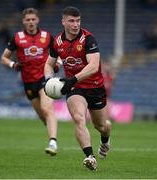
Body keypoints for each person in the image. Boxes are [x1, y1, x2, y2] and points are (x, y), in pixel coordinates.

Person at [44, 6, 112, 170]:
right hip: (75, 89)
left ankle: (105, 139)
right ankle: (90, 157)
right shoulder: (57, 42)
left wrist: (72, 79)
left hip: (95, 87)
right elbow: (48, 64)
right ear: (63, 22)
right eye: (71, 21)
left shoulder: (88, 39)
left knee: (101, 126)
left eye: (78, 21)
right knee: (79, 118)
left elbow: (94, 66)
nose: (75, 24)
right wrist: (48, 80)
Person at [1, 8, 62, 156]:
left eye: (33, 19)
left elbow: (59, 53)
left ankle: (53, 142)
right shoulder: (17, 38)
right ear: (23, 21)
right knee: (42, 115)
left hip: (44, 79)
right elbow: (4, 58)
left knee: (47, 109)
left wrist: (58, 63)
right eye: (28, 20)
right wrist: (13, 65)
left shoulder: (47, 37)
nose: (31, 22)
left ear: (38, 20)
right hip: (28, 82)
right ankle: (50, 129)